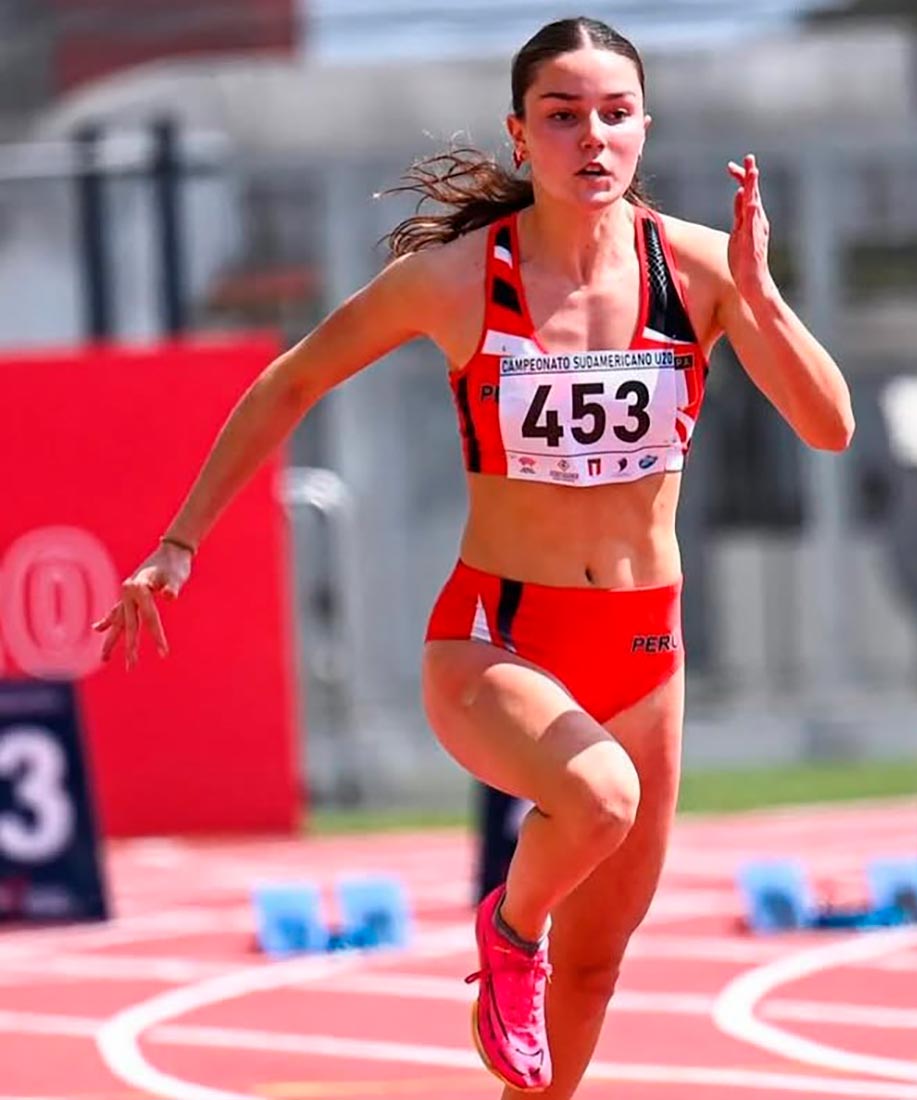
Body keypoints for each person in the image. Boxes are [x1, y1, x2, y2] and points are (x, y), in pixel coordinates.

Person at [93, 16, 853, 1098]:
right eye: (563, 116)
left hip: (646, 648)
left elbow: (830, 428)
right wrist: (178, 542)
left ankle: (529, 975)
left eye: (615, 114)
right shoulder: (457, 279)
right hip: (499, 639)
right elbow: (293, 380)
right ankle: (509, 929)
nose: (592, 137)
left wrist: (762, 294)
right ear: (520, 134)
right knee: (598, 801)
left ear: (644, 128)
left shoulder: (699, 270)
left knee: (595, 965)